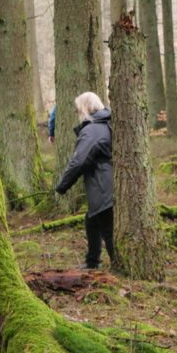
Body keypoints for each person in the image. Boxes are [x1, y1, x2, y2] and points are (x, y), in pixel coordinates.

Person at [54, 92, 115, 269]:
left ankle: (120, 266)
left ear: (84, 108)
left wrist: (62, 186)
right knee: (92, 221)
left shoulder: (92, 130)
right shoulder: (107, 123)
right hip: (109, 182)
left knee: (108, 229)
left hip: (103, 185)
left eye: (77, 109)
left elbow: (79, 161)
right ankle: (92, 261)